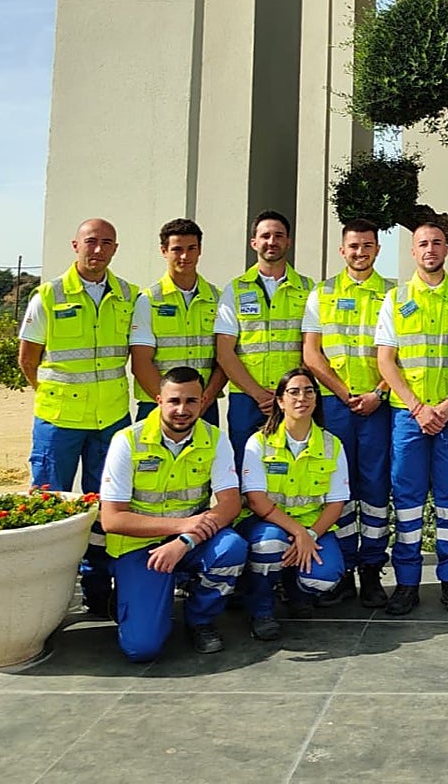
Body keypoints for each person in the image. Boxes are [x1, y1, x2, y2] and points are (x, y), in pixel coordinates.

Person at [18, 217, 136, 617]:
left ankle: (97, 586)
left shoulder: (128, 296)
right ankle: (44, 592)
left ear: (115, 248)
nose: (98, 250)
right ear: (75, 245)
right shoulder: (49, 295)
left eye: (107, 242)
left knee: (105, 507)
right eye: (91, 242)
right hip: (59, 421)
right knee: (50, 506)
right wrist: (58, 397)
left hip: (111, 420)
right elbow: (27, 359)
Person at [98, 366, 247, 660]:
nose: (182, 409)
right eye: (174, 401)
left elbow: (230, 504)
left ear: (203, 401)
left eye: (191, 401)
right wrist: (181, 525)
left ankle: (200, 619)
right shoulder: (127, 441)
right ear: (158, 400)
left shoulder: (215, 439)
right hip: (140, 548)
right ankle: (135, 595)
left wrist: (184, 540)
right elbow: (111, 519)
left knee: (232, 548)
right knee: (141, 649)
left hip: (190, 542)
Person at [377, 223, 448, 615]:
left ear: (446, 249)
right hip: (409, 417)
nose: (430, 249)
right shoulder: (395, 299)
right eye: (422, 244)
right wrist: (418, 407)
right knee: (408, 502)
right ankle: (407, 584)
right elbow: (386, 360)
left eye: (436, 243)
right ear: (412, 252)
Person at [302, 218, 394, 610]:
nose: (360, 252)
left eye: (368, 246)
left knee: (374, 492)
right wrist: (343, 393)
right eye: (353, 246)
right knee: (339, 490)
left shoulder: (394, 293)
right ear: (342, 250)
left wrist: (376, 393)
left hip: (378, 408)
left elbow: (401, 353)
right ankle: (341, 571)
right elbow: (311, 353)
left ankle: (371, 571)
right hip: (336, 409)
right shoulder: (320, 294)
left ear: (377, 249)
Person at [238, 368, 349, 639]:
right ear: (280, 400)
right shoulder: (259, 442)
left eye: (309, 391)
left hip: (312, 527)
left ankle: (296, 591)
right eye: (294, 392)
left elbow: (336, 504)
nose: (302, 398)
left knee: (326, 576)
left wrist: (309, 534)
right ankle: (262, 610)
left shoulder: (332, 444)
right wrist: (298, 533)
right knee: (270, 545)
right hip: (267, 525)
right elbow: (256, 500)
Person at [214, 210, 315, 468]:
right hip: (246, 398)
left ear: (289, 242)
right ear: (254, 243)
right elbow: (225, 353)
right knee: (245, 468)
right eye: (265, 236)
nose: (272, 241)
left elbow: (311, 349)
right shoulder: (234, 289)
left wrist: (287, 395)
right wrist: (258, 394)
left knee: (292, 467)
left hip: (294, 398)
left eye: (279, 236)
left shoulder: (309, 289)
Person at [130, 218, 225, 426]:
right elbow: (141, 362)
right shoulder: (148, 300)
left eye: (192, 248)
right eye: (177, 249)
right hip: (156, 405)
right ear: (164, 251)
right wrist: (171, 404)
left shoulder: (219, 299)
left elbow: (224, 358)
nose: (185, 256)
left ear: (200, 250)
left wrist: (203, 400)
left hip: (204, 406)